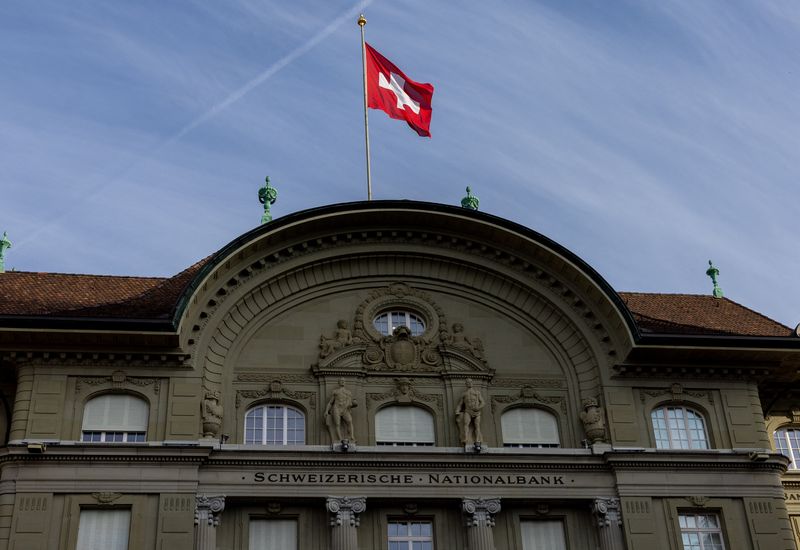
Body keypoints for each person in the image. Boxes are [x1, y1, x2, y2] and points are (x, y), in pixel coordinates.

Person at [325, 378, 357, 442]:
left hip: (345, 409)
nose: (342, 382)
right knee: (337, 424)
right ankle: (340, 439)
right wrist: (326, 410)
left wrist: (354, 404)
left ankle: (352, 437)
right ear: (339, 382)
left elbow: (351, 403)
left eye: (343, 381)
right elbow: (331, 402)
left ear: (345, 382)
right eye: (341, 381)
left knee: (350, 421)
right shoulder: (335, 391)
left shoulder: (348, 392)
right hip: (336, 408)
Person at [455, 378, 484, 445]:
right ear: (466, 384)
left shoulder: (477, 393)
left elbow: (483, 402)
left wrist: (478, 408)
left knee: (477, 426)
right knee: (466, 424)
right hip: (468, 411)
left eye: (470, 382)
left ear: (472, 383)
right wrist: (457, 410)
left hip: (476, 412)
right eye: (468, 382)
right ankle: (466, 438)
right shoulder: (464, 394)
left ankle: (477, 440)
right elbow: (460, 404)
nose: (469, 383)